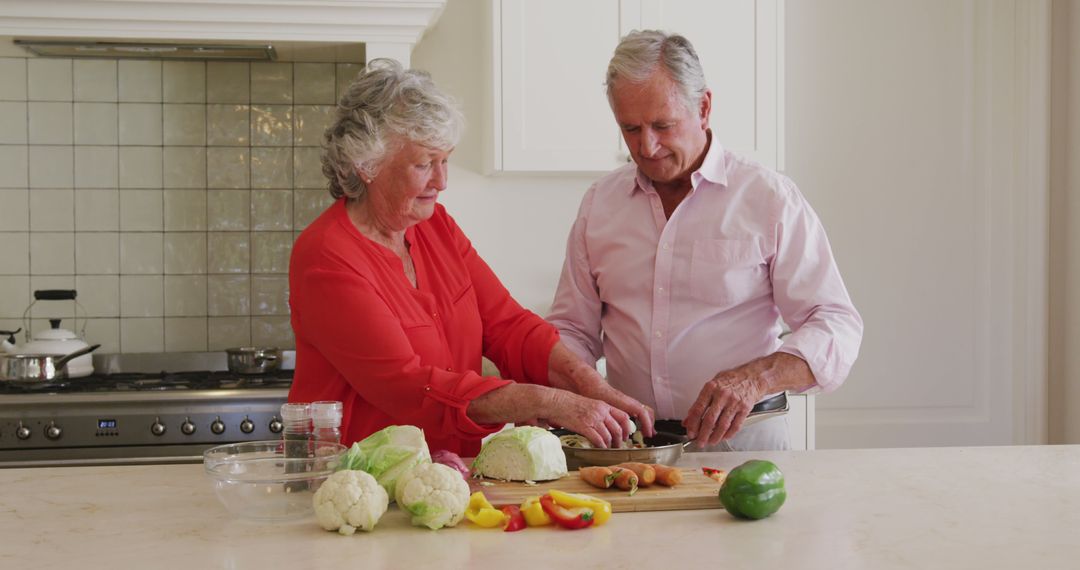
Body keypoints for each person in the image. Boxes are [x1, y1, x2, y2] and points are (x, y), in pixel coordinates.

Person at [287, 59, 654, 456]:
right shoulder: (327, 257)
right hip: (355, 481)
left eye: (445, 160)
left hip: (443, 474)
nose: (441, 181)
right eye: (424, 164)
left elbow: (507, 326)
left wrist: (587, 383)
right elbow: (407, 386)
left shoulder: (435, 227)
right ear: (367, 166)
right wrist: (544, 401)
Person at [547, 31, 863, 451]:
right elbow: (571, 329)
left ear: (704, 108)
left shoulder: (768, 198)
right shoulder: (599, 205)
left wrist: (756, 379)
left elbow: (836, 323)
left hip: (743, 447)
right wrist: (577, 395)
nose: (647, 146)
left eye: (663, 125)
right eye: (630, 128)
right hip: (633, 451)